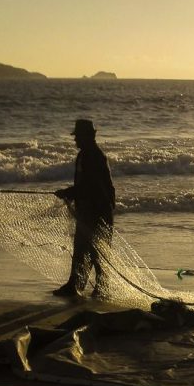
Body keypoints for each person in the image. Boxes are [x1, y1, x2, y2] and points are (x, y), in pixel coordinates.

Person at [52, 119, 116, 297]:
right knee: (81, 248)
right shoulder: (85, 154)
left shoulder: (93, 156)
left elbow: (91, 186)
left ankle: (101, 288)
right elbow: (86, 185)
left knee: (98, 252)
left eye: (78, 136)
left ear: (88, 136)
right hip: (89, 209)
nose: (75, 140)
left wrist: (69, 192)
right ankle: (75, 285)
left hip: (98, 210)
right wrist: (71, 194)